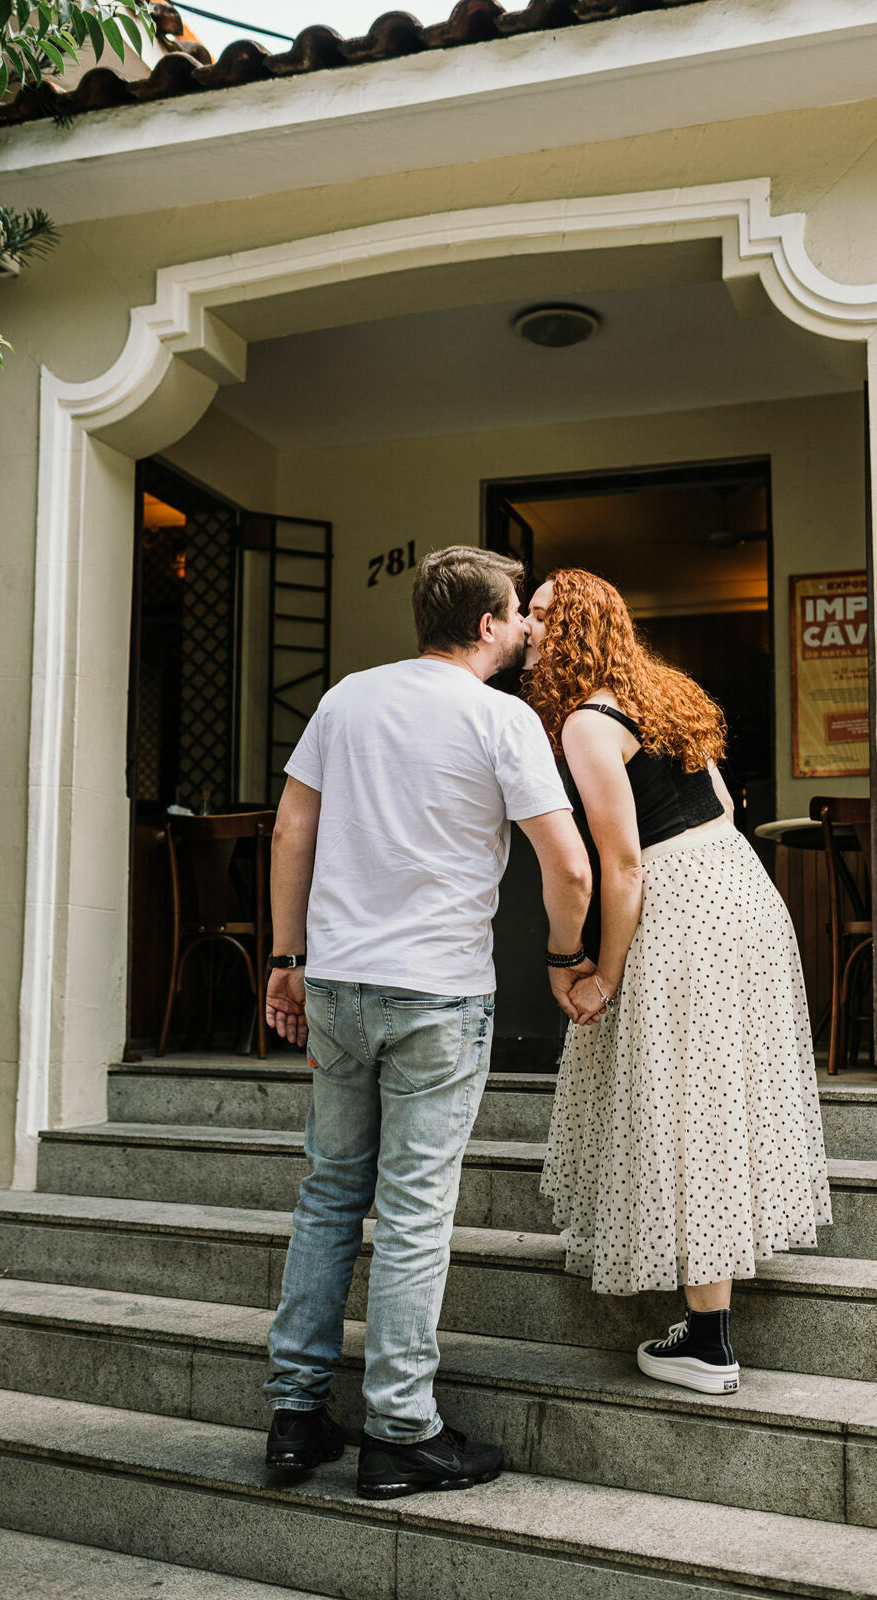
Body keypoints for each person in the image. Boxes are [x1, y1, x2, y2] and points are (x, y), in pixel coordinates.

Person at [262, 545, 592, 1500]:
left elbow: (291, 831)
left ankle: (295, 1416)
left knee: (328, 1195)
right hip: (437, 993)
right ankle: (400, 1429)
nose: (530, 623)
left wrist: (287, 961)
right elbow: (567, 867)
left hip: (338, 981)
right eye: (519, 610)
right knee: (410, 1211)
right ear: (487, 625)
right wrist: (564, 957)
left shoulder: (348, 698)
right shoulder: (501, 719)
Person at [523, 569, 832, 1395]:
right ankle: (707, 1324)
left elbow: (619, 866)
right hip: (743, 896)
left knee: (679, 1105)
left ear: (573, 629)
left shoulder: (587, 724)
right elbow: (725, 809)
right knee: (719, 1097)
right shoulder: (661, 691)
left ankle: (707, 1342)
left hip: (678, 911)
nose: (527, 625)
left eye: (542, 613)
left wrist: (603, 975)